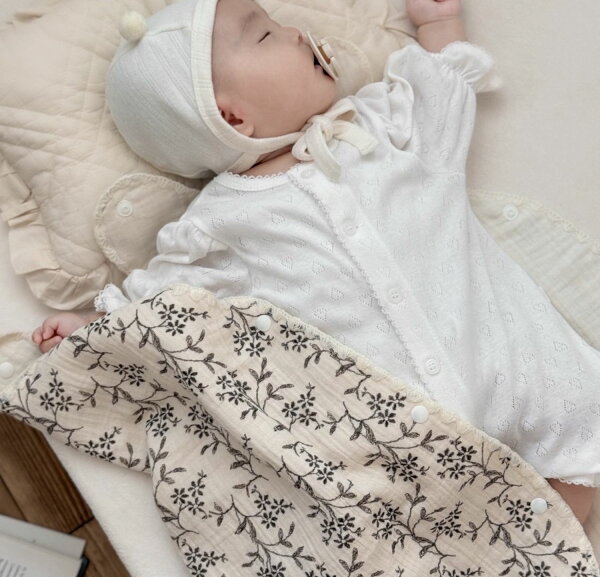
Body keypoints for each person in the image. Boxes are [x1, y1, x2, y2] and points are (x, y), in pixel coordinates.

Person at [32, 0, 599, 523]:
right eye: (266, 36)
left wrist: (437, 24)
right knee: (447, 525)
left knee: (578, 438)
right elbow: (166, 304)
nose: (296, 32)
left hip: (510, 359)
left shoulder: (376, 127)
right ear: (232, 116)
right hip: (403, 429)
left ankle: (553, 532)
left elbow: (441, 90)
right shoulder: (220, 222)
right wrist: (93, 328)